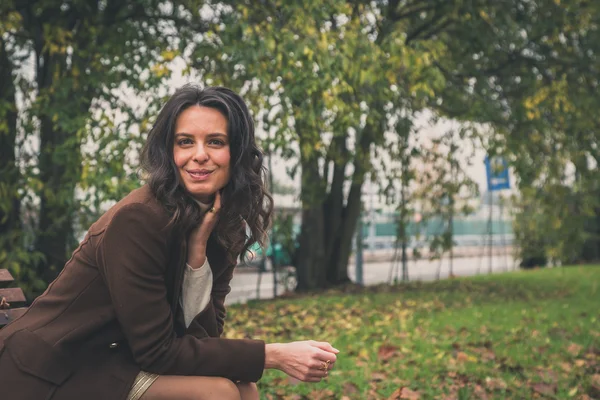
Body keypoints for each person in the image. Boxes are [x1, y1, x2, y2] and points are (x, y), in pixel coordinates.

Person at [0, 85, 338, 400]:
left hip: (112, 359)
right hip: (51, 370)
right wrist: (273, 355)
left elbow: (203, 336)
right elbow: (157, 351)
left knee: (243, 387)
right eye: (185, 142)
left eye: (216, 142)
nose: (200, 155)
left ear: (236, 153)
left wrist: (196, 258)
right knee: (219, 394)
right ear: (169, 151)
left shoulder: (219, 223)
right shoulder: (138, 219)